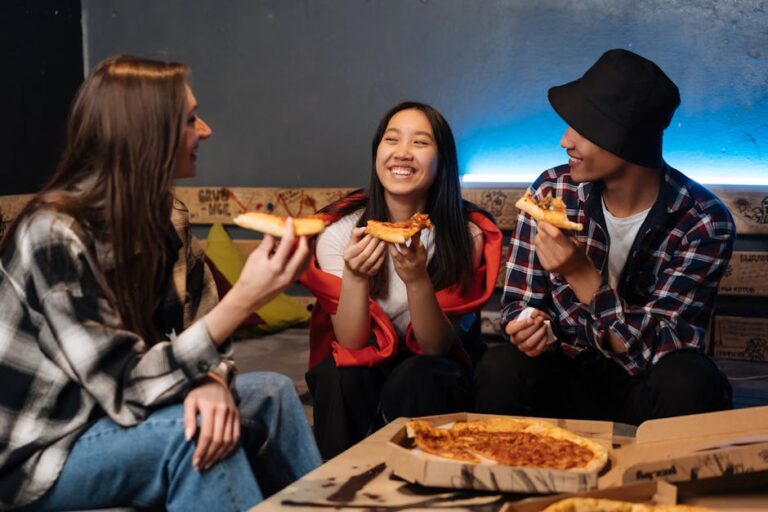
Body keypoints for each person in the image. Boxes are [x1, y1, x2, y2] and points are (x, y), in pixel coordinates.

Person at [0, 55, 321, 511]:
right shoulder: (53, 236)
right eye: (191, 120)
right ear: (148, 134)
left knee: (271, 392)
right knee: (191, 437)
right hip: (42, 452)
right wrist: (247, 297)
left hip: (116, 415)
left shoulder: (164, 218)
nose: (205, 131)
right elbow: (124, 383)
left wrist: (210, 379)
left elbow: (194, 335)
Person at [474, 49, 736, 425]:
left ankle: (659, 482)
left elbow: (658, 350)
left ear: (628, 140)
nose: (565, 141)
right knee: (499, 365)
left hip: (643, 388)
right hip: (565, 377)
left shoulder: (704, 222)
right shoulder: (553, 191)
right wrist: (531, 326)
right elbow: (519, 303)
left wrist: (580, 273)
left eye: (583, 127)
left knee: (689, 378)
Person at [301, 102, 503, 459]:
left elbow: (436, 347)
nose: (403, 153)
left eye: (421, 143)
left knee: (418, 374)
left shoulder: (466, 236)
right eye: (392, 139)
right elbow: (351, 341)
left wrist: (417, 280)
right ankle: (337, 491)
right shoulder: (340, 232)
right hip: (363, 359)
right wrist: (355, 276)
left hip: (431, 365)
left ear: (443, 160)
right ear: (377, 151)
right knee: (339, 377)